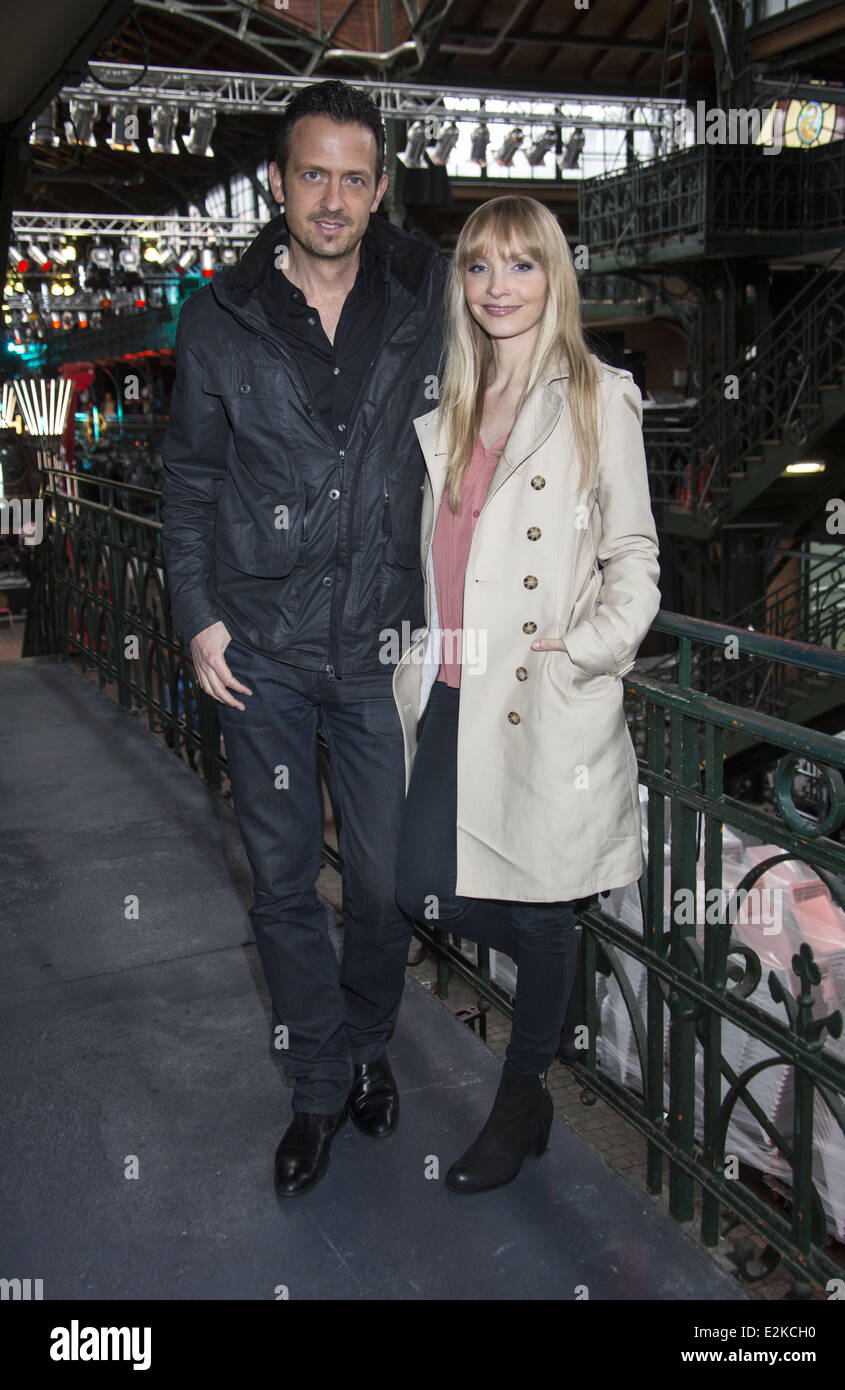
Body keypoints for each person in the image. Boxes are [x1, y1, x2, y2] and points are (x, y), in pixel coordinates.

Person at [161, 79, 448, 1197]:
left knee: (382, 886)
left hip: (381, 648)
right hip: (261, 656)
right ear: (278, 184)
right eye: (310, 173)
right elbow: (187, 478)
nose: (331, 197)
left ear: (379, 191)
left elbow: (521, 373)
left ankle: (370, 1039)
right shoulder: (218, 316)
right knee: (283, 886)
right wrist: (195, 613)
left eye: (353, 177)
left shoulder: (427, 298)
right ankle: (320, 1084)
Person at [393, 194, 661, 1194]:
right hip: (455, 690)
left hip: (542, 705)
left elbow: (635, 559)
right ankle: (549, 1015)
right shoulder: (451, 407)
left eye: (518, 265)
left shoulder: (598, 396)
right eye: (476, 267)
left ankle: (518, 1104)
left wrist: (584, 651)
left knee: (544, 913)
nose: (496, 287)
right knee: (413, 883)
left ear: (553, 276)